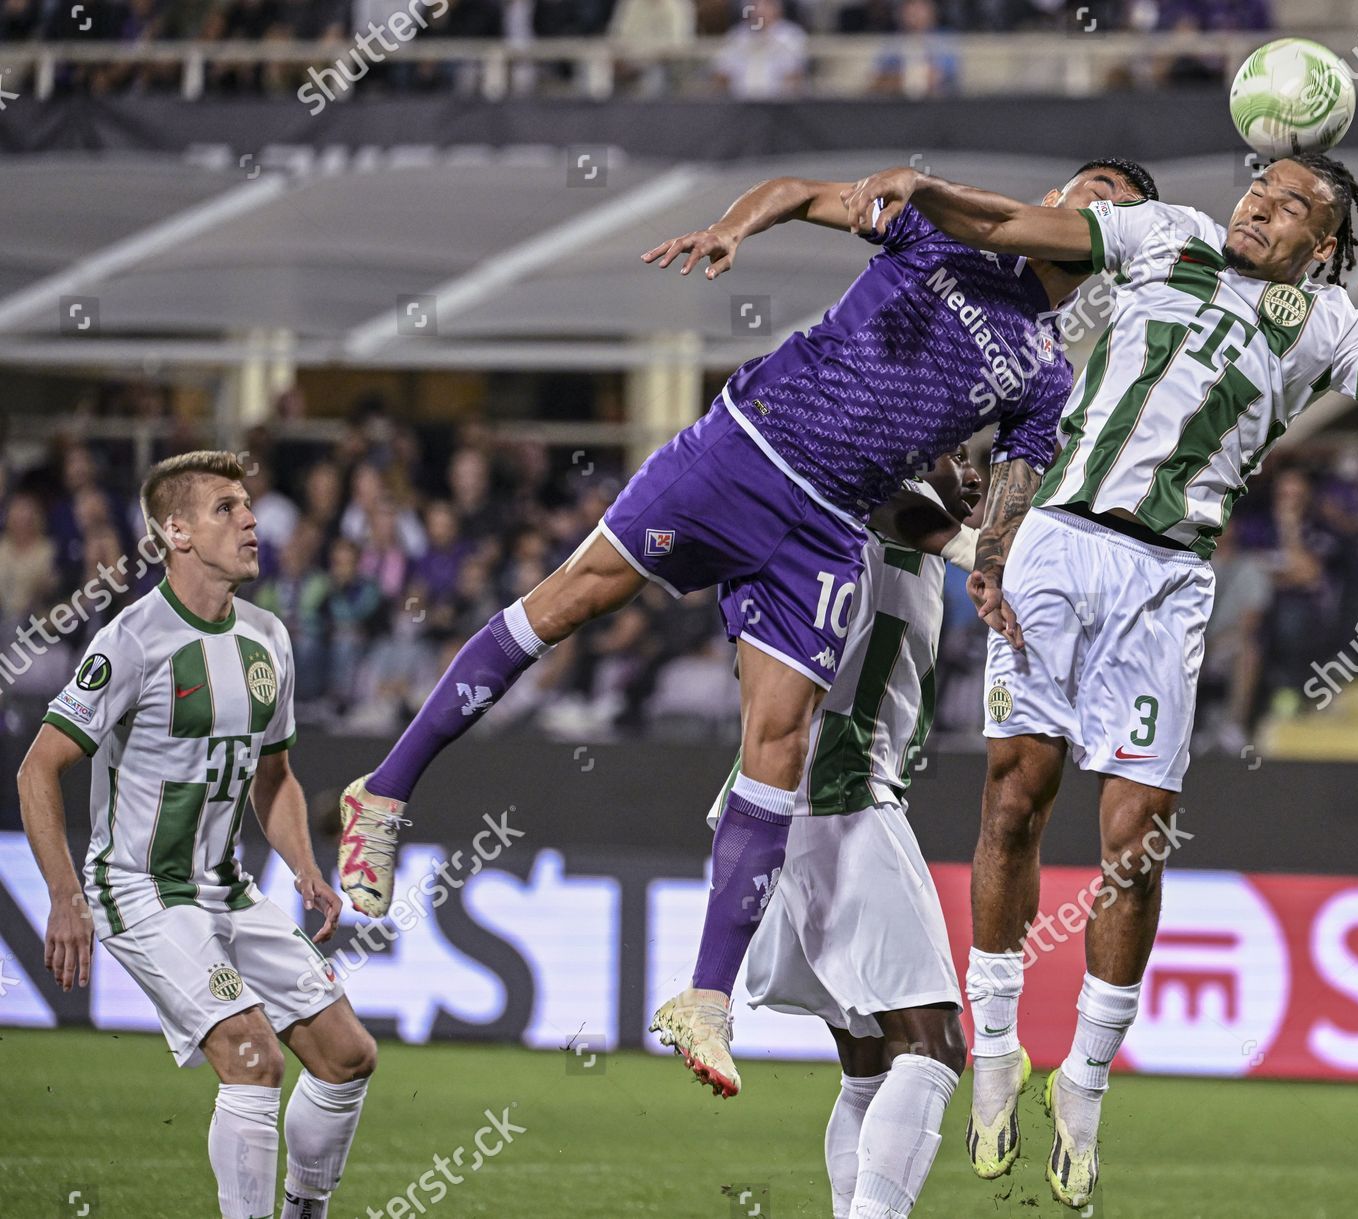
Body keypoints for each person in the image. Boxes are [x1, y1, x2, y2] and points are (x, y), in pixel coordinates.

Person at [336, 155, 1159, 1099]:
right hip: (748, 449)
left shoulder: (1050, 373)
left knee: (778, 745)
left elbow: (1007, 492)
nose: (1085, 207)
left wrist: (998, 557)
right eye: (1085, 189)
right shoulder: (942, 229)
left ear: (1116, 247)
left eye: (1113, 208)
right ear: (1056, 200)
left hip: (829, 528)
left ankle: (706, 996)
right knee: (568, 601)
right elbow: (806, 193)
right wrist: (736, 225)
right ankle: (386, 792)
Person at [839, 153, 1358, 1207]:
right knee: (1013, 796)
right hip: (1054, 545)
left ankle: (1084, 1077)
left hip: (1169, 576)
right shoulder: (1163, 232)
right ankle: (995, 1046)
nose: (1262, 203)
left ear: (1324, 244)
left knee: (1132, 842)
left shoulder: (1330, 324)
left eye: (1293, 204)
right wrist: (930, 191)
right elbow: (1015, 224)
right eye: (1259, 186)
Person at [18, 451, 377, 1219]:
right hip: (142, 889)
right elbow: (36, 770)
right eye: (226, 508)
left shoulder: (269, 638)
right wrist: (63, 896)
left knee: (348, 1056)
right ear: (175, 532)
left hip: (228, 888)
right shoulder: (131, 640)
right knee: (251, 1057)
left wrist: (306, 868)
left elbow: (273, 777)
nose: (250, 520)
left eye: (247, 505)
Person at [705, 447, 982, 1219]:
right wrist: (988, 550)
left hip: (789, 807)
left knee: (867, 1060)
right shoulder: (874, 501)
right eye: (958, 453)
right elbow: (899, 506)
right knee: (933, 1047)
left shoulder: (880, 523)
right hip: (835, 799)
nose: (976, 472)